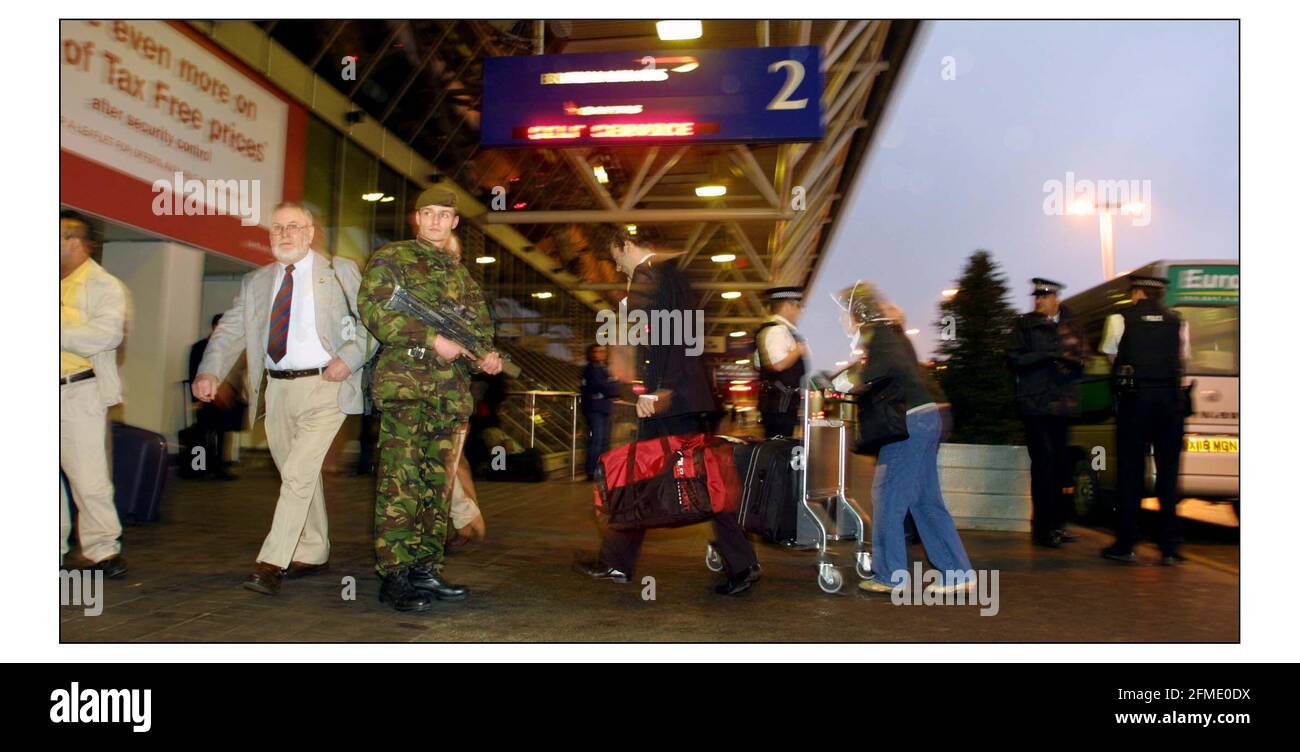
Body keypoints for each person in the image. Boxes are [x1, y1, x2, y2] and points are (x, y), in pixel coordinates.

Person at [194, 202, 371, 596]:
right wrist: (210, 370)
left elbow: (369, 324)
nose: (285, 234)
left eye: (294, 227)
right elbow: (229, 331)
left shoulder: (339, 272)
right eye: (277, 228)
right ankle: (315, 546)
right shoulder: (256, 282)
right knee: (298, 473)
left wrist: (350, 357)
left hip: (326, 385)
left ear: (310, 233)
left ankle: (272, 561)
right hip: (275, 389)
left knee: (295, 475)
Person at [574, 226, 760, 596]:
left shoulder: (648, 277)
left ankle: (739, 563)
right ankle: (618, 561)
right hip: (687, 398)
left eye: (616, 258)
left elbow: (662, 343)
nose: (617, 267)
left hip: (671, 402)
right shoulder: (670, 275)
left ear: (626, 246)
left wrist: (656, 389)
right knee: (669, 477)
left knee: (674, 479)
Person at [358, 186, 503, 613]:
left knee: (434, 487)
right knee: (399, 483)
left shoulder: (462, 277)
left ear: (455, 222)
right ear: (416, 218)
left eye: (445, 215)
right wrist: (430, 338)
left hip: (447, 395)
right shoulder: (392, 259)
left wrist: (486, 356)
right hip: (406, 388)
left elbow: (478, 331)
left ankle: (425, 568)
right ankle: (395, 575)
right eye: (428, 213)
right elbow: (375, 311)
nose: (436, 221)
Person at [833, 282, 975, 596]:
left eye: (846, 313)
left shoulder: (878, 334)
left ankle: (890, 575)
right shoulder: (889, 333)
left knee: (887, 497)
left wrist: (850, 379)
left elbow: (886, 369)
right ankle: (957, 571)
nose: (843, 320)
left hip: (909, 423)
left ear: (858, 313)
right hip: (926, 418)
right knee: (925, 500)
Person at [1100, 275, 1190, 566]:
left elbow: (1111, 357)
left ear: (1137, 293)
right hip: (1170, 403)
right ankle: (1170, 547)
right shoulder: (1178, 321)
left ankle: (1126, 543)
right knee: (1168, 474)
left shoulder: (1120, 319)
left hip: (1134, 401)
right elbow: (1183, 358)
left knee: (1130, 472)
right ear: (1160, 294)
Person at [59, 211, 129, 578]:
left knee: (88, 477)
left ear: (73, 241)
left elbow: (106, 336)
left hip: (78, 391)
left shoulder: (103, 285)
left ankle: (103, 551)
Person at [1006, 278, 1085, 548]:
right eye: (1036, 297)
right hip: (1036, 405)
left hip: (1063, 405)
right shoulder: (1024, 325)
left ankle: (1059, 525)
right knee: (1043, 467)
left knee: (1062, 468)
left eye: (1044, 296)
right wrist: (1048, 356)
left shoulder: (1071, 324)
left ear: (1056, 299)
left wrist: (1069, 363)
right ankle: (1042, 530)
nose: (1038, 301)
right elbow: (1015, 360)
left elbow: (1082, 359)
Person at [188, 313, 244, 480]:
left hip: (224, 399)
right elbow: (195, 373)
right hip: (206, 399)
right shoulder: (200, 347)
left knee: (223, 433)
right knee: (205, 433)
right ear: (214, 327)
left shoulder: (230, 349)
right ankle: (202, 467)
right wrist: (196, 400)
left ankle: (219, 466)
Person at [754, 286, 808, 439]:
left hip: (776, 402)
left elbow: (759, 364)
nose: (801, 311)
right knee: (780, 446)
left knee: (776, 445)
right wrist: (797, 351)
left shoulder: (769, 330)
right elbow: (778, 364)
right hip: (781, 403)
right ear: (786, 306)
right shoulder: (778, 330)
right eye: (798, 306)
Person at [580, 344, 617, 480]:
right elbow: (601, 387)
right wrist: (609, 387)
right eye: (597, 351)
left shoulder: (603, 369)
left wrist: (608, 388)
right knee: (597, 440)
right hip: (595, 410)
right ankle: (592, 471)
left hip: (603, 408)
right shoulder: (591, 369)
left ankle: (601, 469)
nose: (600, 354)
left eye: (603, 351)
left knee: (604, 441)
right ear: (591, 353)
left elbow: (612, 388)